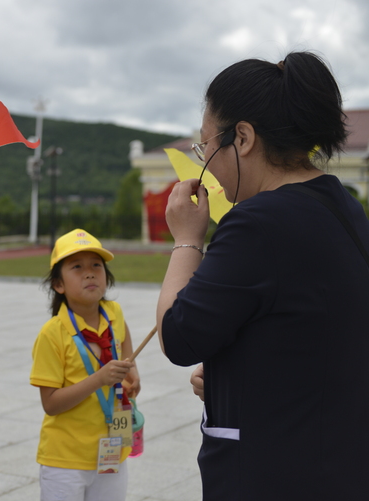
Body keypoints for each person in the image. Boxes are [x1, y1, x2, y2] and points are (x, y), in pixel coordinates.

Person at [156, 51, 369, 500]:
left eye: (207, 146)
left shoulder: (258, 222)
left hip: (273, 473)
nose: (206, 163)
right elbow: (311, 335)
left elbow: (179, 337)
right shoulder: (344, 207)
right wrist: (233, 376)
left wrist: (186, 240)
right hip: (337, 463)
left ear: (244, 137)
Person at [30, 229, 139, 501]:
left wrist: (132, 371)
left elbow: (124, 336)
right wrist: (99, 379)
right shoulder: (52, 334)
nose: (89, 273)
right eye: (77, 267)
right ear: (58, 285)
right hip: (65, 459)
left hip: (112, 449)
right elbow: (51, 404)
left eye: (96, 266)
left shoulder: (113, 313)